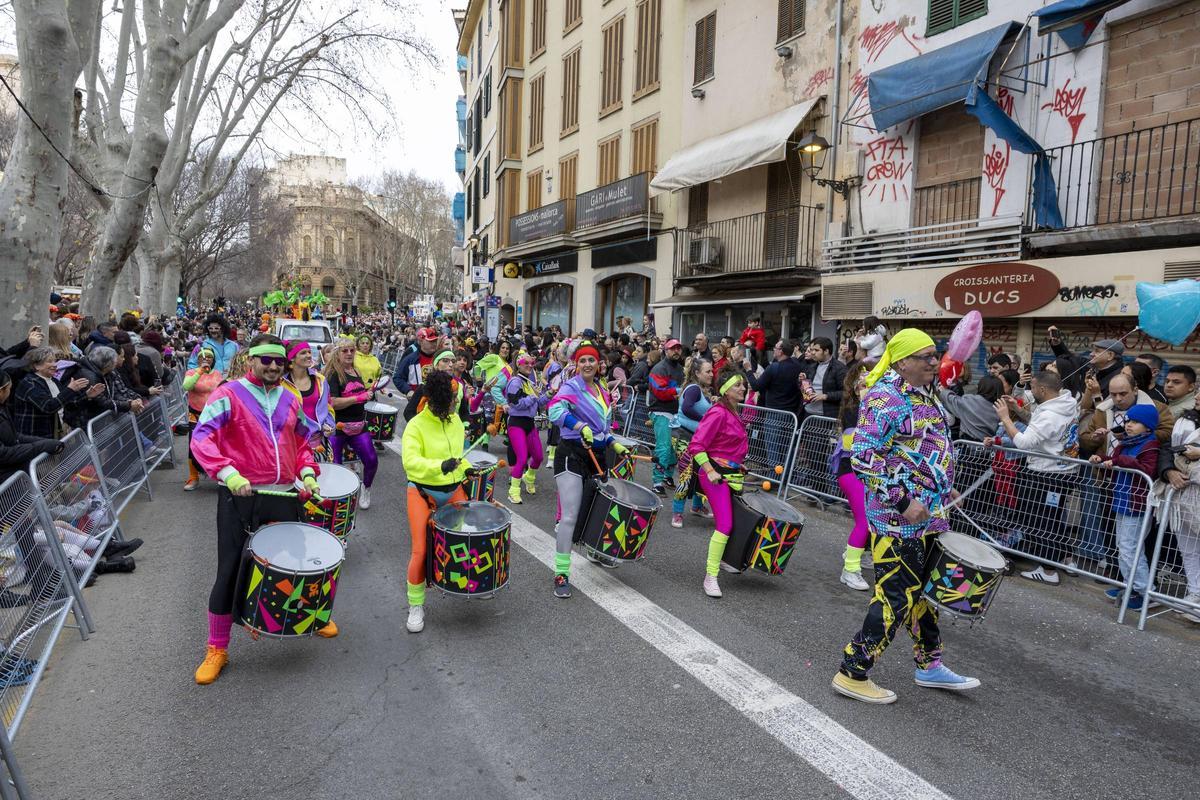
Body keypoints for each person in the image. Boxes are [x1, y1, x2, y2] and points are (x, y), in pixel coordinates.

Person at [832, 328, 977, 705]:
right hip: (896, 520)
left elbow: (921, 449)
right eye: (926, 356)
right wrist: (901, 502)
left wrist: (944, 487)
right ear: (902, 360)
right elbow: (863, 457)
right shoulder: (885, 398)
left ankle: (929, 665)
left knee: (923, 595)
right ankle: (853, 671)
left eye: (935, 354)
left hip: (929, 515)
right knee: (895, 596)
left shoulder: (923, 392)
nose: (935, 361)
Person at [189, 335, 333, 685]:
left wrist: (309, 473)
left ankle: (311, 616)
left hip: (283, 494)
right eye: (265, 360)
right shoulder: (228, 394)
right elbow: (201, 438)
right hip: (241, 496)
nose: (272, 366)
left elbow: (301, 443)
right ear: (251, 360)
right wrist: (228, 473)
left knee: (298, 562)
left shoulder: (290, 399)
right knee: (230, 570)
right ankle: (217, 648)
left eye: (278, 361)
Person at [547, 340, 627, 598]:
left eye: (591, 360)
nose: (587, 364)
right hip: (572, 453)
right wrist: (578, 425)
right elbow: (554, 409)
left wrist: (614, 444)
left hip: (598, 454)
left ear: (598, 364)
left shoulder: (602, 391)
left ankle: (594, 549)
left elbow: (603, 428)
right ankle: (561, 573)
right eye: (582, 360)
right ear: (576, 364)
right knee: (569, 516)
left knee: (596, 510)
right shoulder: (572, 386)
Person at [992, 371, 1080, 585]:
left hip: (1047, 474)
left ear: (1042, 389)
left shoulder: (1051, 414)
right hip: (1063, 471)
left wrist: (1005, 418)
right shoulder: (1064, 404)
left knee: (1041, 521)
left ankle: (1049, 569)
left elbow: (1024, 442)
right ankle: (1062, 558)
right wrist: (1017, 410)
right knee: (1052, 518)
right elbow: (1039, 427)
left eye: (1032, 387)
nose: (1029, 391)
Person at [400, 370, 471, 634]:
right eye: (451, 400)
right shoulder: (416, 425)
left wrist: (467, 469)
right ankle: (416, 605)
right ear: (437, 400)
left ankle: (467, 581)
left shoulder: (455, 422)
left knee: (463, 542)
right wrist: (439, 466)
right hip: (422, 492)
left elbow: (459, 458)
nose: (455, 404)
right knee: (420, 551)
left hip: (453, 490)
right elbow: (411, 463)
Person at [684, 367, 750, 598]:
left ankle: (725, 559)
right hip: (714, 475)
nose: (743, 388)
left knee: (735, 521)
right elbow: (697, 445)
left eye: (743, 384)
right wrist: (710, 470)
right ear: (725, 390)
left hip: (731, 473)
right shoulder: (718, 412)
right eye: (737, 385)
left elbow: (727, 446)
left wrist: (737, 464)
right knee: (724, 524)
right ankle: (710, 576)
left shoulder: (733, 411)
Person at [1092, 405, 1160, 612]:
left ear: (1147, 427)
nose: (1129, 425)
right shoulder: (1125, 443)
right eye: (1128, 421)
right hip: (1121, 500)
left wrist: (1119, 460)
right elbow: (1115, 461)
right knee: (1123, 547)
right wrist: (1101, 459)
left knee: (1131, 549)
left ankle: (1145, 591)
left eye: (1135, 422)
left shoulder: (1151, 445)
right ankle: (1129, 585)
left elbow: (1147, 470)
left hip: (1137, 504)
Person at [1157, 389, 1200, 622]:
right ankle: (1195, 594)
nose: (1198, 397)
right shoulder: (1185, 420)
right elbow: (1167, 449)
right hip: (1183, 495)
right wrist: (1169, 471)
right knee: (1188, 548)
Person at [834, 363, 871, 591]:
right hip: (851, 471)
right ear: (856, 386)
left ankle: (859, 552)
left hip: (868, 473)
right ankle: (850, 570)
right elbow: (854, 446)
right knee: (864, 521)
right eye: (865, 382)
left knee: (875, 519)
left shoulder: (874, 408)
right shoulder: (854, 409)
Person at [747, 339, 803, 482]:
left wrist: (748, 370)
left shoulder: (774, 368)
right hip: (791, 414)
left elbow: (756, 386)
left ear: (781, 351)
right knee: (787, 449)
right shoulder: (796, 365)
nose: (774, 350)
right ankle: (785, 479)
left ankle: (773, 480)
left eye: (776, 348)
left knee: (773, 449)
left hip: (774, 414)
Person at [670, 357, 715, 528]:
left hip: (698, 439)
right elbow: (687, 408)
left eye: (711, 370)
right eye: (707, 371)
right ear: (697, 373)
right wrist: (706, 419)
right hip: (683, 436)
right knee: (686, 475)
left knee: (702, 473)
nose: (711, 374)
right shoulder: (694, 389)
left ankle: (697, 506)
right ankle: (677, 513)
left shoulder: (701, 389)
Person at [0, 370, 65, 485]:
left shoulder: (3, 407)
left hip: (15, 475)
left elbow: (14, 436)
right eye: (9, 388)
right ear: (1, 391)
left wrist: (46, 442)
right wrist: (42, 446)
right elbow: (4, 454)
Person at [12, 347, 90, 439]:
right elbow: (49, 407)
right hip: (35, 439)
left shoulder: (53, 380)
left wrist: (86, 396)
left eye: (55, 361)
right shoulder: (30, 384)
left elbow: (65, 405)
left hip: (54, 434)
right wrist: (70, 390)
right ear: (37, 365)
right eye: (50, 361)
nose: (55, 365)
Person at [504, 354, 548, 504]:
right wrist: (533, 397)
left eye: (532, 363)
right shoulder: (515, 381)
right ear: (519, 364)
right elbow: (515, 403)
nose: (529, 365)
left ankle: (529, 478)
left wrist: (548, 395)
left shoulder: (529, 382)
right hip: (516, 423)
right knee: (522, 458)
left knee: (539, 457)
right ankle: (513, 491)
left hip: (529, 423)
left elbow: (538, 403)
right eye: (526, 363)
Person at [282, 341, 334, 454]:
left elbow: (328, 405)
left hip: (319, 442)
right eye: (303, 353)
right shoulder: (281, 383)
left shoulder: (320, 380)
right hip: (293, 444)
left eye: (309, 352)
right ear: (292, 358)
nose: (309, 355)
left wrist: (330, 424)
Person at [648, 339, 685, 495]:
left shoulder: (681, 369)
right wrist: (678, 391)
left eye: (678, 348)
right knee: (663, 447)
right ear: (666, 350)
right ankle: (657, 481)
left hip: (676, 413)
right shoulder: (659, 368)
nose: (676, 351)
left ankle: (667, 476)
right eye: (672, 348)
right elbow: (660, 392)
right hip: (660, 411)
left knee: (674, 448)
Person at [938, 375, 1005, 441]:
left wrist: (944, 390)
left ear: (981, 386)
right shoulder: (1002, 407)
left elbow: (951, 400)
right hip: (988, 447)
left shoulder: (970, 400)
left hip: (967, 445)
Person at [799, 337, 847, 420]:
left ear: (826, 351)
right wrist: (802, 381)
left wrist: (825, 396)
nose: (813, 353)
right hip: (808, 413)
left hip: (826, 416)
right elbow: (805, 391)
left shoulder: (839, 368)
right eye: (812, 350)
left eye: (817, 350)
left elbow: (846, 393)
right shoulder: (811, 366)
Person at [394, 327, 440, 397]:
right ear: (420, 341)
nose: (434, 344)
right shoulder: (410, 359)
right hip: (417, 401)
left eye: (435, 341)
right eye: (430, 341)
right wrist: (408, 391)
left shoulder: (440, 358)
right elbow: (398, 378)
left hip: (436, 400)